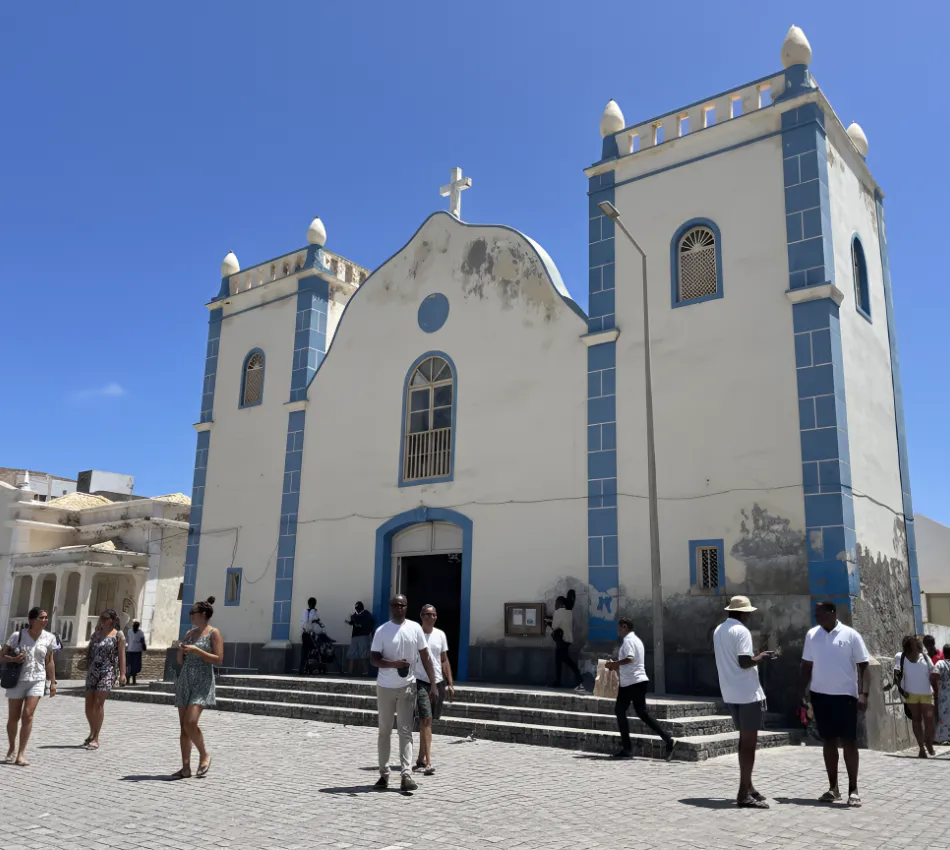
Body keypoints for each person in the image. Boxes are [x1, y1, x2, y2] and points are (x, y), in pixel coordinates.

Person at [799, 601, 870, 808]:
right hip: (820, 696)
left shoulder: (850, 635)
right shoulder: (812, 635)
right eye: (815, 613)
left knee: (849, 742)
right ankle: (833, 788)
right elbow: (806, 666)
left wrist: (863, 694)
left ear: (832, 613)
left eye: (820, 613)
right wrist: (801, 692)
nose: (816, 617)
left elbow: (864, 666)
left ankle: (853, 790)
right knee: (829, 741)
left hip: (846, 697)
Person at [370, 594, 438, 793]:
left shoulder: (415, 628)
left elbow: (425, 656)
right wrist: (394, 664)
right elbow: (374, 658)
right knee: (384, 731)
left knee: (405, 731)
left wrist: (433, 683)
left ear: (406, 607)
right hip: (385, 686)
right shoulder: (382, 631)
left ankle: (406, 774)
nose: (398, 608)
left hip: (407, 686)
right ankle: (384, 774)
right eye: (395, 605)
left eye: (402, 605)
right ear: (390, 607)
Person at [713, 596, 775, 808]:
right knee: (749, 745)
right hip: (747, 693)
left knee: (744, 741)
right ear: (743, 613)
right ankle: (742, 794)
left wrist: (753, 656)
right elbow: (744, 661)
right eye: (748, 613)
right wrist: (762, 657)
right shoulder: (741, 631)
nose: (749, 616)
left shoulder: (719, 630)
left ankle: (748, 786)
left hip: (730, 692)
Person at [606, 617, 676, 761]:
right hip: (636, 681)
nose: (618, 630)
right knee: (641, 713)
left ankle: (627, 748)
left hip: (631, 683)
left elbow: (630, 659)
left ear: (624, 626)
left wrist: (614, 664)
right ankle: (668, 740)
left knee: (621, 710)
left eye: (619, 627)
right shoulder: (637, 640)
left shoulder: (628, 641)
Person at [172, 596, 224, 779]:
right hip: (185, 679)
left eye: (192, 612)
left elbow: (219, 659)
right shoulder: (189, 633)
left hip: (202, 680)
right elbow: (180, 662)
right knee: (183, 727)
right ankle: (185, 767)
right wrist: (181, 649)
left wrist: (197, 651)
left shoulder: (214, 633)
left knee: (191, 722)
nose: (190, 615)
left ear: (202, 614)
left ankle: (204, 754)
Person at [2, 607, 57, 766]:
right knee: (14, 717)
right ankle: (11, 747)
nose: (45, 620)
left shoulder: (49, 638)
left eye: (46, 617)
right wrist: (13, 659)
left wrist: (52, 682)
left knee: (28, 714)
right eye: (42, 617)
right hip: (17, 679)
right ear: (32, 620)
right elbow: (1, 656)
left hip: (37, 679)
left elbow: (50, 661)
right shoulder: (17, 636)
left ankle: (20, 754)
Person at [413, 603, 454, 776]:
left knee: (428, 721)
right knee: (426, 719)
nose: (432, 617)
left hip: (438, 682)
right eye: (428, 614)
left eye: (434, 614)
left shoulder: (440, 635)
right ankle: (428, 762)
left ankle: (420, 758)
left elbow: (444, 659)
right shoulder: (415, 635)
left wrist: (450, 682)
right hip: (421, 681)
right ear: (421, 616)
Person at [83, 609, 127, 750]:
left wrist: (122, 674)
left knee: (98, 703)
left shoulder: (118, 635)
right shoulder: (95, 634)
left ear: (111, 620)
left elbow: (122, 656)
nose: (102, 620)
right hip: (92, 671)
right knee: (88, 703)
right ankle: (92, 731)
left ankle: (96, 737)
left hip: (107, 671)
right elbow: (89, 652)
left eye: (105, 618)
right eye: (101, 618)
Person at [894, 634, 938, 758]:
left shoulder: (925, 657)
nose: (917, 647)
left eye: (918, 645)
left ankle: (928, 741)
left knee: (930, 721)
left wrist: (936, 687)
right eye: (914, 645)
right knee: (916, 720)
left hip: (927, 694)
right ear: (908, 647)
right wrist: (901, 690)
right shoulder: (900, 657)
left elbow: (933, 672)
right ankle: (921, 748)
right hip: (911, 695)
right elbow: (897, 675)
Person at [550, 596, 583, 691]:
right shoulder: (569, 613)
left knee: (563, 659)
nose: (555, 605)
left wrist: (549, 622)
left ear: (560, 604)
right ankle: (558, 681)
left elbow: (554, 626)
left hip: (561, 640)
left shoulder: (557, 612)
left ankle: (578, 676)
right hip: (568, 639)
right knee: (560, 659)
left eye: (556, 603)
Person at [345, 602, 375, 676]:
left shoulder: (366, 614)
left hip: (363, 636)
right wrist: (351, 622)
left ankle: (365, 672)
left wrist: (362, 626)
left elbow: (370, 624)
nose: (357, 610)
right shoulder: (354, 615)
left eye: (358, 608)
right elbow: (353, 622)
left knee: (363, 654)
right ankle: (350, 672)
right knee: (352, 654)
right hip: (355, 636)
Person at [299, 597, 322, 675]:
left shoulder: (310, 612)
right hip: (308, 634)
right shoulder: (309, 612)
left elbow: (315, 622)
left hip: (308, 634)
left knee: (308, 652)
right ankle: (306, 668)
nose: (314, 605)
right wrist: (314, 620)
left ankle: (306, 668)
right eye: (313, 603)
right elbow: (307, 622)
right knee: (308, 651)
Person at [935, 645, 950, 744]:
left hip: (944, 696)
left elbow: (934, 675)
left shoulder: (940, 663)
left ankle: (944, 738)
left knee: (944, 717)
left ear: (943, 653)